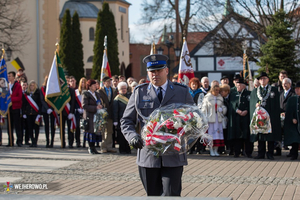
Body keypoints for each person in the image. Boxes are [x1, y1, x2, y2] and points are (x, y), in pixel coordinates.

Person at [121, 54, 194, 196]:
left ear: (166, 70)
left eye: (159, 70)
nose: (155, 74)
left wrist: (185, 132)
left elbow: (193, 118)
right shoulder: (139, 92)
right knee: (152, 195)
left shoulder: (181, 91)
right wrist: (132, 137)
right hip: (148, 155)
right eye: (152, 71)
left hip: (173, 154)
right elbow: (126, 121)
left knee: (171, 195)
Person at [249, 72, 281, 160]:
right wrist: (255, 105)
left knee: (270, 135)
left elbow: (276, 104)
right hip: (260, 117)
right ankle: (261, 153)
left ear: (268, 80)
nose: (263, 80)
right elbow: (252, 103)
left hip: (270, 116)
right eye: (261, 79)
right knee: (260, 135)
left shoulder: (273, 90)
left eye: (264, 78)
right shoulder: (255, 91)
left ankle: (270, 153)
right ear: (259, 81)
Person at [228, 78, 253, 158]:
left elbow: (251, 104)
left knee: (246, 135)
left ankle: (248, 152)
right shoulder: (233, 94)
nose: (237, 87)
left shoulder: (249, 93)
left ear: (244, 86)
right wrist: (237, 110)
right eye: (237, 85)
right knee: (237, 135)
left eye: (239, 85)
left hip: (246, 117)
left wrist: (247, 110)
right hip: (237, 117)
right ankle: (237, 152)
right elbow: (231, 104)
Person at [201, 84, 227, 157]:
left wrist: (222, 109)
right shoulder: (207, 98)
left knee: (218, 135)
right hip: (210, 120)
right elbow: (204, 108)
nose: (217, 92)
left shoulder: (220, 98)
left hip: (218, 119)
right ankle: (211, 150)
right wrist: (204, 117)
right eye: (216, 90)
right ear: (212, 90)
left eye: (218, 90)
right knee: (211, 135)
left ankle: (216, 150)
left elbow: (223, 106)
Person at [82, 79, 103, 154]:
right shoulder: (86, 94)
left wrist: (100, 106)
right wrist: (95, 108)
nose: (95, 86)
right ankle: (90, 147)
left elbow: (99, 102)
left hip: (96, 116)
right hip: (89, 116)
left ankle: (94, 148)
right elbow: (84, 106)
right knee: (90, 132)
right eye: (94, 85)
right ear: (90, 86)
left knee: (95, 132)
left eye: (96, 85)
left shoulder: (97, 94)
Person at [275, 78, 295, 155]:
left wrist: (287, 113)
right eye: (283, 83)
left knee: (290, 134)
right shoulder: (280, 93)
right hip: (280, 117)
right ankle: (278, 149)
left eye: (286, 83)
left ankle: (292, 151)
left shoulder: (293, 94)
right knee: (279, 133)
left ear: (290, 84)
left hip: (289, 117)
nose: (284, 85)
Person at [98, 76, 117, 153]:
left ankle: (109, 146)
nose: (110, 83)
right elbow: (99, 101)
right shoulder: (100, 91)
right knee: (103, 130)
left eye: (110, 81)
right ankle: (103, 146)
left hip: (111, 113)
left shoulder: (113, 90)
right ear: (104, 82)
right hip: (103, 113)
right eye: (108, 81)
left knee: (110, 131)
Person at [113, 82, 131, 154]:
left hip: (129, 119)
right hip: (121, 119)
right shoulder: (117, 99)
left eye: (125, 88)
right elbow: (115, 111)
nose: (123, 90)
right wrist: (115, 121)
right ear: (119, 90)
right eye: (122, 89)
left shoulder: (130, 97)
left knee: (128, 134)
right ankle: (122, 149)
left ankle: (128, 148)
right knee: (121, 135)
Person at [284, 81, 300, 160]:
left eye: (298, 89)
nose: (297, 90)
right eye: (296, 89)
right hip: (294, 123)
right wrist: (292, 118)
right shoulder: (292, 99)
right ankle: (294, 154)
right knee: (295, 139)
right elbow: (289, 111)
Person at [22, 80, 41, 147]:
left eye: (33, 85)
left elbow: (40, 103)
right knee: (29, 128)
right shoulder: (26, 94)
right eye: (30, 85)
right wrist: (24, 112)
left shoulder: (38, 93)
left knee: (36, 128)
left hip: (36, 113)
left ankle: (35, 141)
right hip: (28, 113)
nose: (32, 86)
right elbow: (24, 104)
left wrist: (40, 113)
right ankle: (32, 140)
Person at [7, 71, 23, 147]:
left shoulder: (18, 85)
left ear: (13, 77)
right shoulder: (7, 86)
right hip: (8, 108)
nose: (8, 77)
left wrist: (11, 98)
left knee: (17, 125)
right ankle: (10, 141)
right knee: (9, 126)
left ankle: (19, 141)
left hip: (16, 108)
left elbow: (19, 97)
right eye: (8, 76)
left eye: (10, 76)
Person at [188, 77, 203, 154]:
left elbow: (201, 104)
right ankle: (190, 149)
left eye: (195, 84)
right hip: (189, 115)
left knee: (198, 132)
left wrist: (197, 111)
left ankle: (199, 149)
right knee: (190, 132)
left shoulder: (200, 93)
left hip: (197, 114)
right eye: (192, 84)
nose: (194, 85)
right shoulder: (187, 92)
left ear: (198, 85)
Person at [40, 76, 56, 148]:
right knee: (46, 126)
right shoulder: (42, 89)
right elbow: (42, 100)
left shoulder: (54, 89)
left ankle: (52, 141)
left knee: (53, 126)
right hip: (45, 110)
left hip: (52, 110)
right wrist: (47, 108)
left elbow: (55, 99)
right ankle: (47, 141)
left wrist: (52, 108)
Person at [219, 84, 232, 155]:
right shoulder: (221, 99)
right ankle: (222, 149)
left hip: (230, 118)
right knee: (223, 134)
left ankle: (230, 148)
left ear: (227, 91)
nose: (221, 93)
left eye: (223, 91)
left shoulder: (231, 98)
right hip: (223, 119)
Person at [21, 81, 30, 145]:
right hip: (21, 112)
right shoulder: (20, 93)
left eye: (25, 85)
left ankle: (27, 140)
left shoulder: (28, 93)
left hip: (27, 112)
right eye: (23, 85)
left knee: (27, 127)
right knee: (21, 127)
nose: (24, 86)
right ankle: (20, 140)